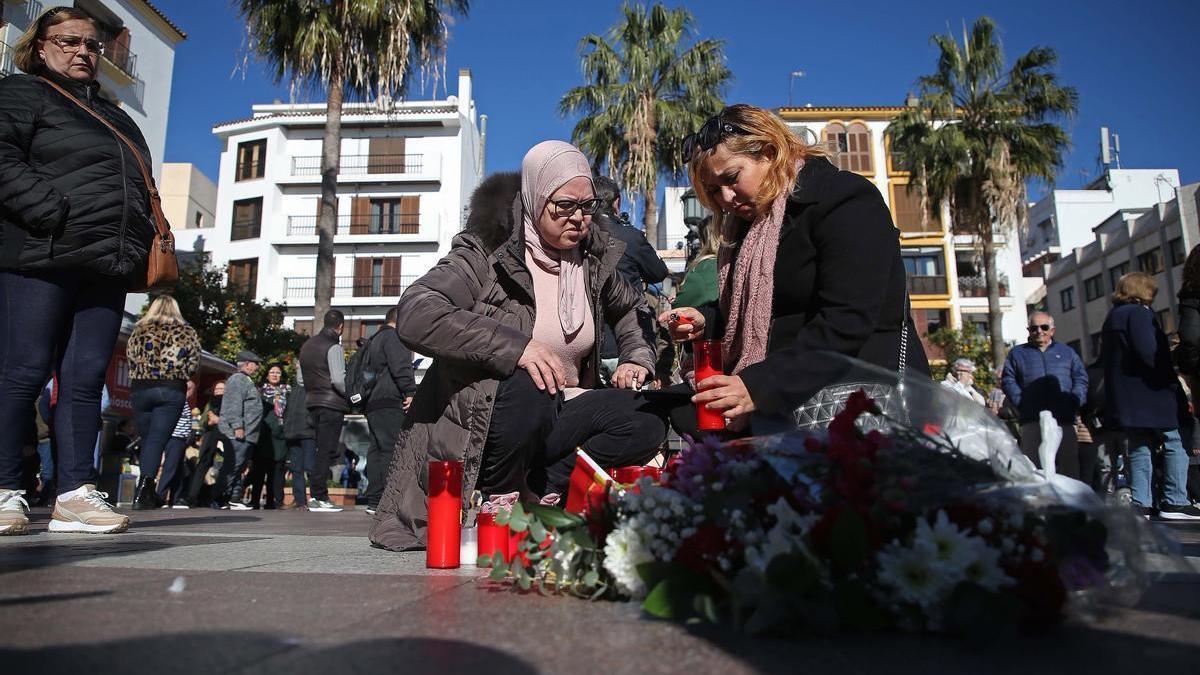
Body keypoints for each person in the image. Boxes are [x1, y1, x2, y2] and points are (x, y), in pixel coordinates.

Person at [369, 141, 665, 551]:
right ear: (535, 196)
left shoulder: (593, 258)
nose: (579, 218)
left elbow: (631, 309)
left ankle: (545, 490)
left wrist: (636, 358)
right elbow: (418, 312)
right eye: (564, 206)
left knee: (646, 418)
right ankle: (493, 501)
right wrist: (516, 348)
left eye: (588, 205)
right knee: (531, 384)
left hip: (562, 405)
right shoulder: (484, 251)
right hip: (490, 414)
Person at [661, 104, 930, 433]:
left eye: (731, 178)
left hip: (858, 399)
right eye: (714, 190)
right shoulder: (751, 224)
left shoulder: (845, 200)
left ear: (770, 152)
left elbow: (846, 321)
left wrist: (757, 385)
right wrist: (708, 321)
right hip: (790, 396)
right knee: (654, 411)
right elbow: (763, 312)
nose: (726, 198)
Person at [1, 6, 162, 536]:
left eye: (91, 45)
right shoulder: (21, 94)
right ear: (40, 46)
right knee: (22, 372)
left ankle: (74, 493)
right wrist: (49, 210)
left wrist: (135, 239)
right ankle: (6, 490)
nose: (82, 52)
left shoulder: (116, 116)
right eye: (68, 41)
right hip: (39, 253)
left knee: (84, 380)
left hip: (107, 262)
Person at [1101, 273, 1200, 519]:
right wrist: (1171, 375)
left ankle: (1141, 502)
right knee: (1175, 442)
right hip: (1153, 394)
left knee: (1139, 446)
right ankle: (1175, 499)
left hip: (1127, 398)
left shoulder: (1113, 316)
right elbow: (1150, 353)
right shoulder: (1139, 314)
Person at [127, 295, 200, 510]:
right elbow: (194, 362)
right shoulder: (187, 332)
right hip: (170, 388)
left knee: (148, 440)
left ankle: (144, 490)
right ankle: (144, 492)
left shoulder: (138, 329)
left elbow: (130, 356)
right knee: (156, 442)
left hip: (141, 388)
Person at [1001, 311, 1087, 479]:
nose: (1039, 331)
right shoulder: (1017, 354)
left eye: (1044, 327)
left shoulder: (1067, 352)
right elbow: (1008, 380)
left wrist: (1075, 400)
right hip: (1032, 418)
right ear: (1028, 330)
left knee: (1069, 468)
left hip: (1064, 419)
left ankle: (1071, 504)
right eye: (1034, 328)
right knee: (1033, 469)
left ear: (1052, 330)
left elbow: (1081, 378)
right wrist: (1022, 401)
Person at [362, 307, 418, 515]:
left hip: (373, 402)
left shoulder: (373, 340)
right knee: (391, 449)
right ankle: (389, 499)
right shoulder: (394, 338)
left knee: (375, 450)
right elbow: (401, 366)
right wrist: (410, 391)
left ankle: (375, 499)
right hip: (389, 399)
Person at [299, 310, 349, 513]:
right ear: (341, 327)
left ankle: (317, 495)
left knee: (319, 449)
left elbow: (300, 379)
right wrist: (350, 394)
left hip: (312, 402)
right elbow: (338, 379)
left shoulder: (307, 346)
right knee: (326, 451)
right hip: (332, 403)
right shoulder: (334, 346)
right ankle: (320, 496)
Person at [217, 351, 263, 510]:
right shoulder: (237, 379)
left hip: (248, 434)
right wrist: (238, 426)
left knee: (240, 466)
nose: (257, 367)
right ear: (247, 364)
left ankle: (233, 499)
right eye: (255, 364)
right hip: (238, 433)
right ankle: (220, 498)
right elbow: (233, 405)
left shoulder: (246, 380)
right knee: (233, 466)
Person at [248, 364, 289, 509]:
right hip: (262, 435)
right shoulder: (259, 391)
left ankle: (275, 501)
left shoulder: (287, 391)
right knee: (258, 470)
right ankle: (254, 500)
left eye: (278, 372)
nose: (275, 375)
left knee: (277, 471)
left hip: (280, 436)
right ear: (267, 374)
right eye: (272, 372)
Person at [186, 381, 226, 508]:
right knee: (203, 464)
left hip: (225, 436)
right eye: (217, 389)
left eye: (222, 389)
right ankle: (193, 496)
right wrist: (208, 422)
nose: (219, 391)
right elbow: (203, 421)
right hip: (210, 436)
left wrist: (218, 420)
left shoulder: (229, 402)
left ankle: (218, 496)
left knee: (224, 466)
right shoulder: (210, 403)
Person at [157, 380, 196, 508]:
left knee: (178, 468)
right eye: (189, 389)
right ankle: (161, 497)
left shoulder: (183, 402)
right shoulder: (178, 401)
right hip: (175, 438)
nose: (190, 392)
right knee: (170, 467)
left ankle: (176, 497)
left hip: (181, 439)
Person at [282, 371, 315, 509]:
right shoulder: (292, 388)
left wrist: (311, 423)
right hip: (292, 432)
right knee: (296, 468)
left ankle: (315, 498)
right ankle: (300, 500)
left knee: (310, 467)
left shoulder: (312, 387)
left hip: (307, 432)